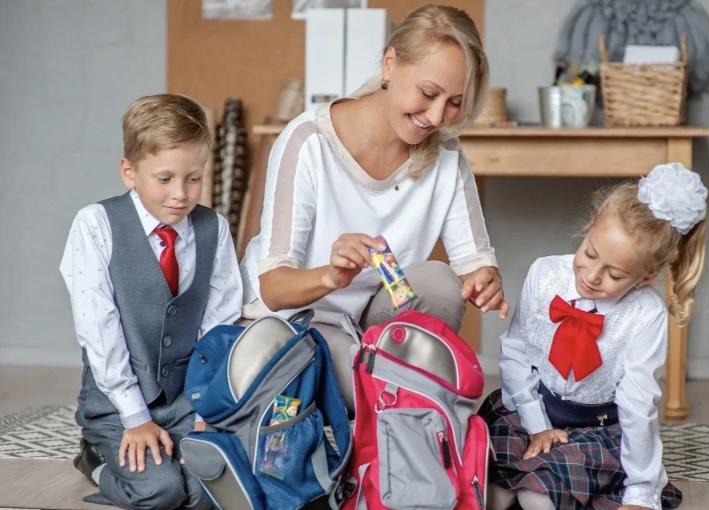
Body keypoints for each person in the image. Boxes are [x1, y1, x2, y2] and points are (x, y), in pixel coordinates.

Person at [241, 4, 508, 408]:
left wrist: (484, 281)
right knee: (376, 387)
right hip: (297, 321)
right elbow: (274, 289)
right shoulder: (309, 142)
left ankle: (394, 389)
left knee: (439, 283)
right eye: (428, 93)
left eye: (455, 102)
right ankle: (397, 391)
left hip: (368, 320)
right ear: (389, 64)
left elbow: (474, 264)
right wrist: (332, 276)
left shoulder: (447, 156)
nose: (438, 116)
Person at [480, 163, 709, 510]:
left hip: (594, 430)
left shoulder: (646, 313)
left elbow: (638, 404)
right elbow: (515, 352)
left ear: (645, 278)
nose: (592, 276)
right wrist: (537, 425)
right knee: (490, 489)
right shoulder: (544, 273)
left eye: (615, 275)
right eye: (589, 253)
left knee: (536, 496)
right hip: (528, 410)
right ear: (588, 229)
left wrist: (641, 492)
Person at [60, 94, 242, 509]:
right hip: (116, 405)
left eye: (193, 178)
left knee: (207, 492)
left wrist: (206, 414)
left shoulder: (213, 228)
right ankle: (95, 460)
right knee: (162, 491)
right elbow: (99, 330)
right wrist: (135, 418)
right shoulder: (96, 224)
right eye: (165, 179)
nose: (180, 194)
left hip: (185, 404)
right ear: (129, 172)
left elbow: (220, 329)